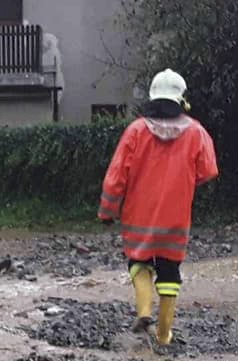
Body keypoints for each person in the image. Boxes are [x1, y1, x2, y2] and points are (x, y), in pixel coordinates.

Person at [98, 69, 219, 346]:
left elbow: (116, 176)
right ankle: (164, 336)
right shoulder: (197, 132)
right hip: (176, 217)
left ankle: (143, 311)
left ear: (152, 97)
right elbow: (209, 170)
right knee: (169, 272)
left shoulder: (136, 131)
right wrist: (185, 181)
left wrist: (107, 211)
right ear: (181, 99)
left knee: (139, 262)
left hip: (137, 216)